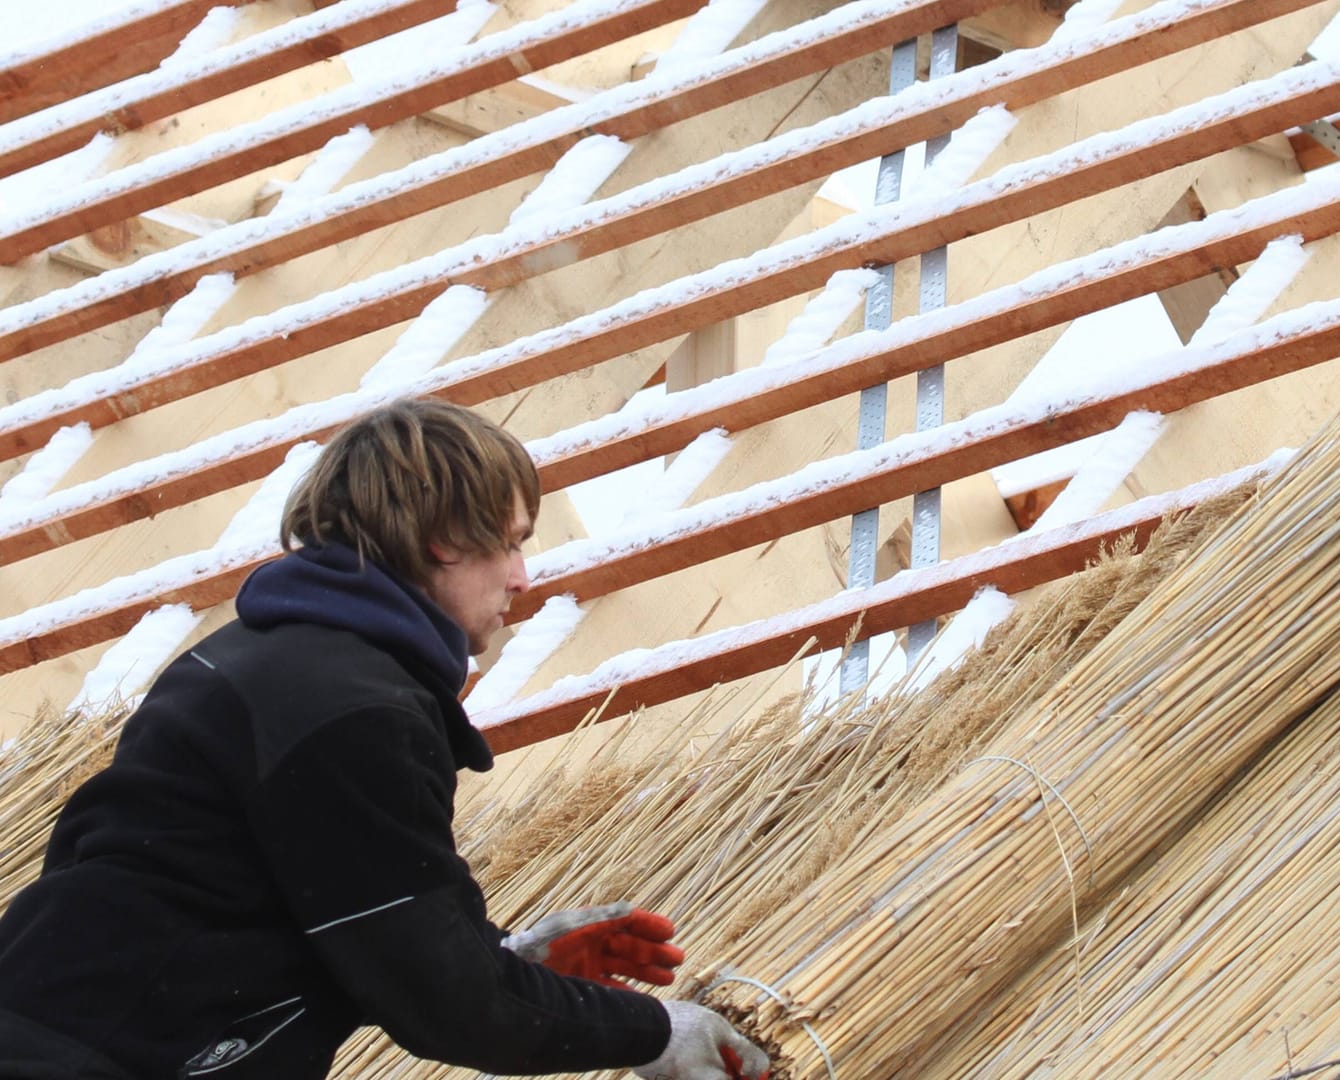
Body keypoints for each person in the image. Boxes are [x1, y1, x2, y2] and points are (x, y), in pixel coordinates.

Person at [0, 398, 770, 1080]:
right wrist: (659, 1033)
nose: (523, 577)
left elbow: (289, 911)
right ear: (442, 539)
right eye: (510, 542)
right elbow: (449, 1005)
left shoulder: (254, 655)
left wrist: (505, 958)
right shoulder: (351, 709)